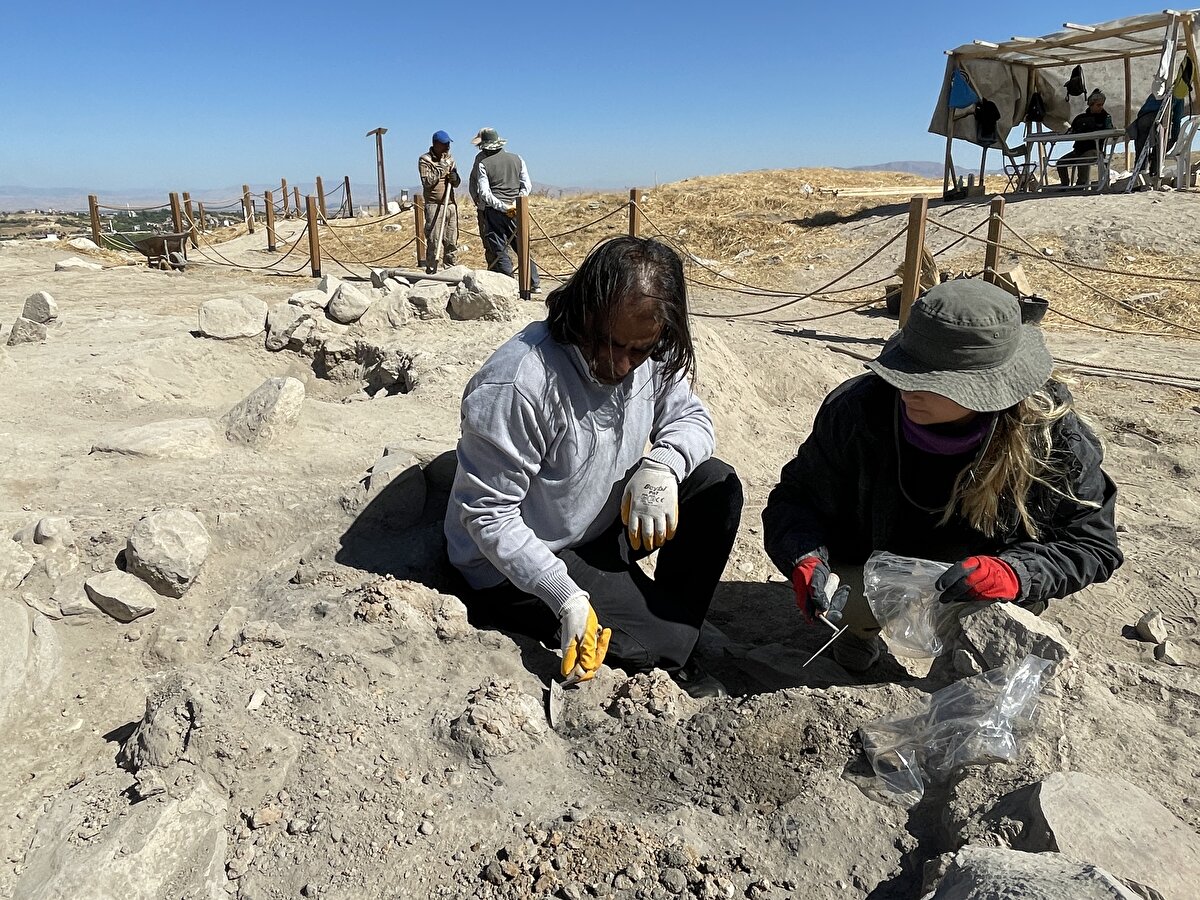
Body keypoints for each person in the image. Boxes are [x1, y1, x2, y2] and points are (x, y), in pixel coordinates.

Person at [762, 279, 1122, 673]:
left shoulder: (1053, 438)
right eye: (905, 371)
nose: (906, 390)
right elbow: (795, 499)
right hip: (871, 568)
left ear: (990, 389)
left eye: (931, 382)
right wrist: (805, 557)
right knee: (841, 603)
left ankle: (964, 663)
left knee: (999, 613)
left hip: (977, 581)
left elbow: (1092, 545)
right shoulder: (859, 410)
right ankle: (857, 632)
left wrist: (1015, 573)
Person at [445, 236, 743, 696]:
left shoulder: (650, 346)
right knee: (663, 641)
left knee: (715, 486)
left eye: (638, 351)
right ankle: (664, 642)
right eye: (610, 344)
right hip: (518, 562)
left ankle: (665, 623)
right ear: (584, 312)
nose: (622, 365)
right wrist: (563, 597)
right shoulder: (519, 382)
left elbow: (691, 418)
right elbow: (488, 515)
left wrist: (662, 466)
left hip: (596, 526)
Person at [469, 127, 540, 292]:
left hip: (495, 211)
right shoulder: (517, 158)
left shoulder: (483, 164)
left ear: (485, 146)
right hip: (518, 210)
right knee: (522, 245)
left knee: (499, 247)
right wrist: (516, 204)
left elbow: (485, 193)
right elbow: (526, 185)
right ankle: (533, 283)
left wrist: (503, 207)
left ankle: (509, 283)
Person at [418, 130, 461, 273]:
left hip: (450, 204)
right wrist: (441, 168)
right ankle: (432, 268)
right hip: (434, 206)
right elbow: (427, 181)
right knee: (434, 239)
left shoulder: (450, 159)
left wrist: (455, 178)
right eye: (444, 144)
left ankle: (450, 267)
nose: (448, 146)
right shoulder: (425, 160)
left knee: (451, 239)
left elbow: (456, 182)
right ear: (436, 144)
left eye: (448, 143)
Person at [1057, 89, 1113, 186]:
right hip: (1078, 149)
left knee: (1082, 161)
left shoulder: (1105, 118)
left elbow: (1110, 131)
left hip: (1094, 150)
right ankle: (1065, 186)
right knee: (1061, 163)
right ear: (1091, 104)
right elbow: (1071, 131)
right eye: (1098, 105)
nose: (1101, 107)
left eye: (1102, 105)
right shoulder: (1080, 118)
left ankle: (1081, 185)